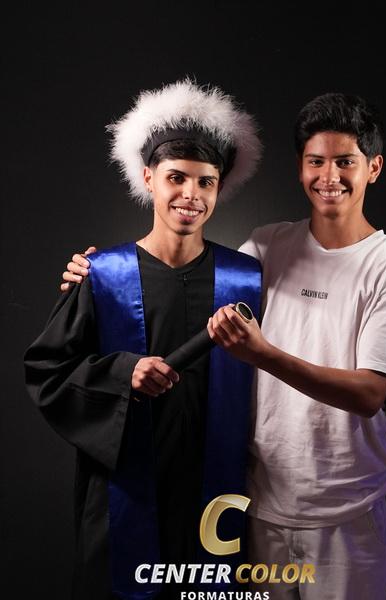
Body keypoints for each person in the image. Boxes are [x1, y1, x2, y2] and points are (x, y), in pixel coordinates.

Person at [61, 93, 386, 600]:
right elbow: (180, 288)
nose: (329, 176)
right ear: (300, 166)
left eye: (346, 162)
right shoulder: (263, 250)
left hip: (346, 509)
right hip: (256, 505)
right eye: (316, 161)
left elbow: (369, 395)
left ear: (374, 167)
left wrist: (262, 354)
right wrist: (94, 273)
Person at [24, 78, 262, 600]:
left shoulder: (247, 280)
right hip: (123, 498)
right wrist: (121, 372)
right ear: (149, 177)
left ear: (219, 187)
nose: (190, 195)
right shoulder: (102, 275)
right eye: (176, 177)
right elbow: (47, 371)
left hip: (217, 498)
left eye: (206, 182)